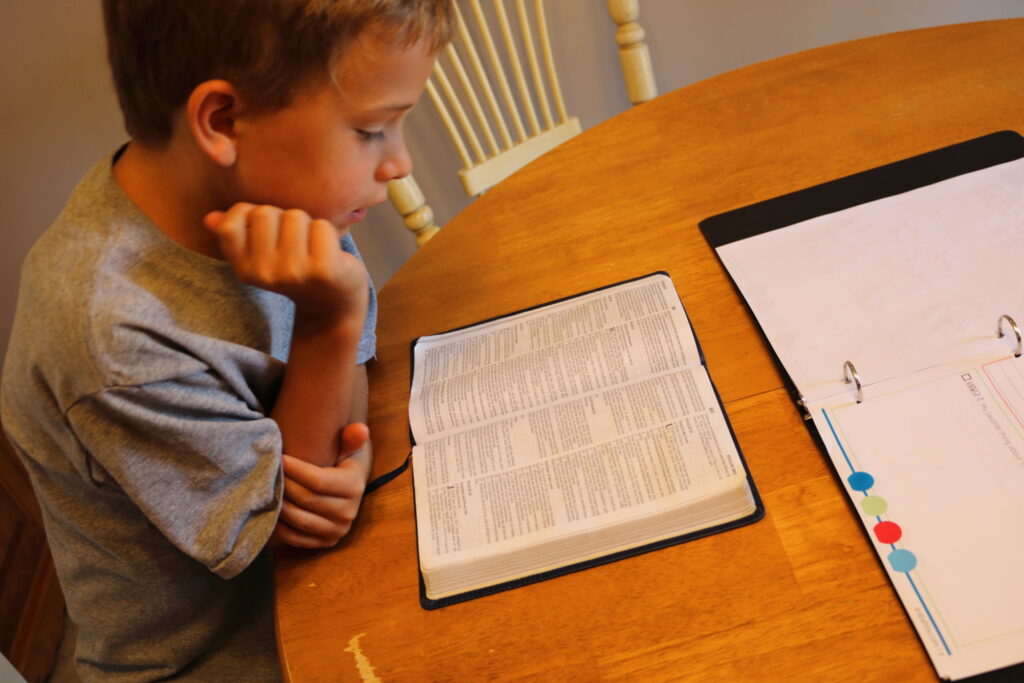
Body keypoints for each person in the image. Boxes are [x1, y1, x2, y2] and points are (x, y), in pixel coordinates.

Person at [0, 1, 454, 680]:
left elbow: (343, 419)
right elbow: (294, 535)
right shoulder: (112, 334)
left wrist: (342, 454)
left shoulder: (279, 197)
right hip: (222, 654)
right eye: (371, 129)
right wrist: (332, 320)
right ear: (223, 121)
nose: (398, 161)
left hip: (302, 581)